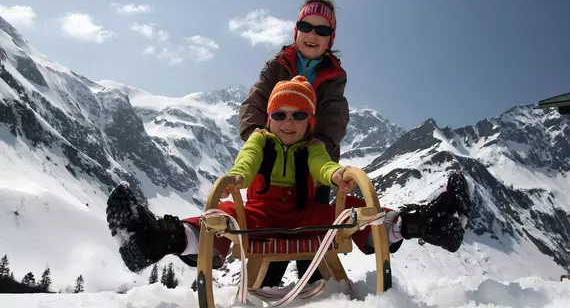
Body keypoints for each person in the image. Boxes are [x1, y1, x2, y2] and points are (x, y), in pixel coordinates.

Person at [106, 76, 472, 287]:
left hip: (305, 216)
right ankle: (157, 238)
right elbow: (247, 162)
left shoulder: (311, 147)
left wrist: (337, 174)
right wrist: (238, 176)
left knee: (354, 211)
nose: (288, 121)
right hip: (261, 216)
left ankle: (427, 223)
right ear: (269, 118)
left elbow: (322, 167)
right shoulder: (260, 141)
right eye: (279, 114)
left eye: (298, 115)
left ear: (309, 122)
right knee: (224, 213)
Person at [238, 0, 349, 284]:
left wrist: (320, 144)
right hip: (274, 160)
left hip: (314, 161)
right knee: (271, 233)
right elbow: (255, 101)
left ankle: (316, 289)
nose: (313, 34)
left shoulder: (333, 76)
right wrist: (256, 137)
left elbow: (335, 115)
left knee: (310, 233)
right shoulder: (278, 65)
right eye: (306, 27)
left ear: (330, 40)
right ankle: (266, 286)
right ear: (296, 30)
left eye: (322, 30)